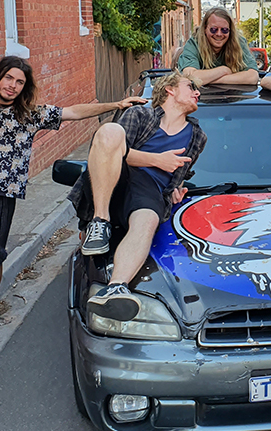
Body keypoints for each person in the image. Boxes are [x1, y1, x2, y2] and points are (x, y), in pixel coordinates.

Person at [0, 56, 146, 346]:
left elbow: (72, 112)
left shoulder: (29, 114)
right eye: (9, 78)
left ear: (25, 87)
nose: (12, 85)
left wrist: (115, 105)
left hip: (1, 200)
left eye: (19, 82)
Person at [68, 71, 207, 318]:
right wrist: (157, 160)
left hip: (150, 190)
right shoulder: (140, 115)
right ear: (170, 90)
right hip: (116, 180)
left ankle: (115, 288)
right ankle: (101, 222)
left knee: (148, 221)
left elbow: (177, 175)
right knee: (110, 132)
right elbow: (111, 151)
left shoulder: (197, 136)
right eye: (190, 87)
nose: (197, 93)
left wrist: (175, 190)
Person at [177, 7, 259, 85]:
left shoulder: (238, 42)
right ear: (205, 29)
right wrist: (223, 70)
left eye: (224, 30)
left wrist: (211, 80)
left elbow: (253, 76)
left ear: (230, 31)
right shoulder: (194, 44)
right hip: (200, 98)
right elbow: (190, 77)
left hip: (233, 98)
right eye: (213, 29)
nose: (219, 34)